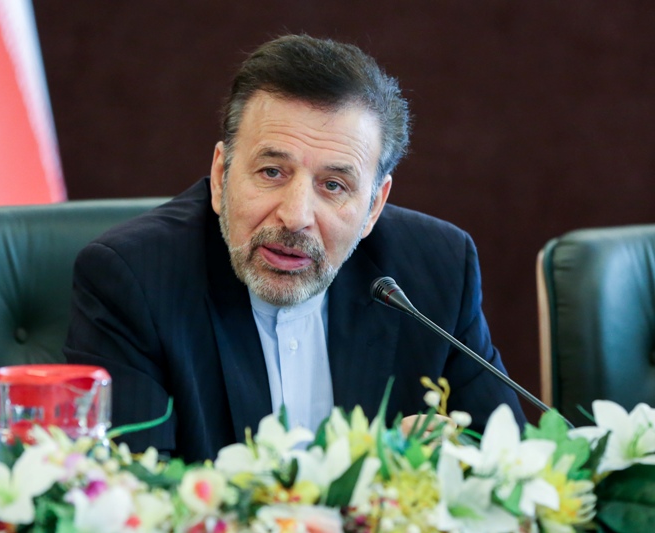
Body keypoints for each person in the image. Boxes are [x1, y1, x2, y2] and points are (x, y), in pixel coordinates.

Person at [64, 34, 525, 463]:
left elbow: (510, 465)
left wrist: (454, 460)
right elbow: (132, 491)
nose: (296, 215)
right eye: (272, 172)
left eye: (333, 185)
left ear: (373, 206)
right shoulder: (134, 279)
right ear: (221, 176)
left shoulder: (437, 269)